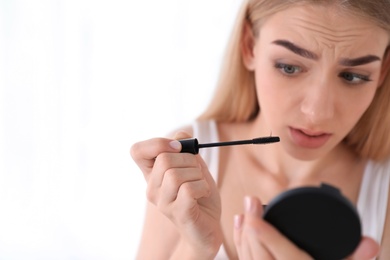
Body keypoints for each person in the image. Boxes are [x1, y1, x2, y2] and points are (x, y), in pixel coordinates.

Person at [130, 0, 390, 259]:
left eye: (353, 76)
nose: (316, 112)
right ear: (249, 46)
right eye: (289, 67)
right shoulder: (189, 168)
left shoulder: (385, 190)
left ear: (382, 71)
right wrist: (197, 247)